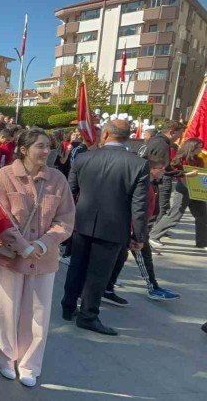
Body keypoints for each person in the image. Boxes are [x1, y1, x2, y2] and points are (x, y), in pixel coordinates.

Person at [0, 128, 74, 388]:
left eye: (48, 146)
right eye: (40, 146)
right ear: (23, 149)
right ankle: (4, 358)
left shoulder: (57, 179)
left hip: (44, 258)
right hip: (10, 255)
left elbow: (66, 219)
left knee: (38, 312)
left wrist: (43, 243)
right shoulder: (5, 176)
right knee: (6, 308)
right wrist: (23, 245)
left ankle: (29, 364)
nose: (46, 151)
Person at [61, 120, 149, 336]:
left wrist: (65, 222)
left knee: (76, 266)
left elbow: (69, 193)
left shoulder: (84, 157)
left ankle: (68, 306)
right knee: (98, 274)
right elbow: (139, 205)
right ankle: (88, 315)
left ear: (106, 134)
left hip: (82, 222)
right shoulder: (138, 164)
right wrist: (139, 235)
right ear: (128, 136)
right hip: (113, 227)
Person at [107, 154, 180, 301]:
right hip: (134, 229)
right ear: (151, 169)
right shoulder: (143, 186)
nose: (163, 171)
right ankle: (151, 288)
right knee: (139, 257)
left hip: (136, 228)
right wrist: (136, 234)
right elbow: (137, 211)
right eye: (161, 168)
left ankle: (107, 287)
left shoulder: (148, 185)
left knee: (120, 258)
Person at [148, 138, 205, 249]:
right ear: (191, 147)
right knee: (175, 214)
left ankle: (202, 243)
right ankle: (153, 235)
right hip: (183, 188)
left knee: (203, 216)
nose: (200, 150)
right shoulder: (179, 159)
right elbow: (172, 171)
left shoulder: (199, 160)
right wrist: (185, 174)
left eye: (201, 147)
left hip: (196, 189)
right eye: (198, 147)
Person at [144, 121, 183, 223]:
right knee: (156, 210)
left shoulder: (155, 140)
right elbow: (162, 168)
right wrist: (183, 174)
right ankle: (151, 231)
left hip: (149, 180)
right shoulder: (162, 145)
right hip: (154, 182)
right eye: (180, 133)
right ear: (172, 132)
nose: (180, 137)